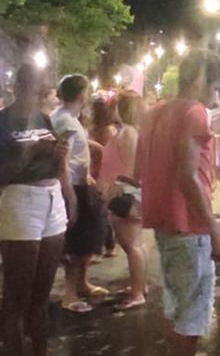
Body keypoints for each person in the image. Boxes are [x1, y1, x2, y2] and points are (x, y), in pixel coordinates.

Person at [135, 52, 220, 356]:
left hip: (164, 222)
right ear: (202, 78)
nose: (214, 95)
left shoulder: (156, 112)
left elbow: (144, 167)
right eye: (215, 85)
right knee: (192, 310)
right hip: (188, 224)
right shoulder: (194, 112)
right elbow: (190, 175)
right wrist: (214, 227)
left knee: (177, 305)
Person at [0, 61, 79, 356]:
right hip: (20, 200)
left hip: (50, 196)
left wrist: (65, 183)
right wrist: (29, 152)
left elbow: (55, 163)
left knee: (42, 292)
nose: (47, 91)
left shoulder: (43, 119)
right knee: (17, 299)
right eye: (42, 85)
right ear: (23, 84)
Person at [50, 75, 108, 313]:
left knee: (85, 240)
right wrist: (71, 197)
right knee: (75, 243)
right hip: (71, 187)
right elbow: (61, 161)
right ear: (81, 94)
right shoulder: (65, 121)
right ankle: (70, 294)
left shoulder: (66, 118)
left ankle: (82, 283)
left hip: (79, 183)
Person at [99, 90, 147, 310]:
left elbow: (131, 165)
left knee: (131, 244)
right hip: (123, 192)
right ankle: (139, 285)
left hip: (125, 194)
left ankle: (138, 292)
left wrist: (118, 184)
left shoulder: (128, 133)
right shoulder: (127, 131)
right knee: (133, 244)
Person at [88, 95, 118, 258]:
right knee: (102, 210)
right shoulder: (109, 130)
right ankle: (108, 244)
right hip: (101, 171)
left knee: (100, 211)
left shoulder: (98, 130)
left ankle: (103, 245)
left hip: (98, 171)